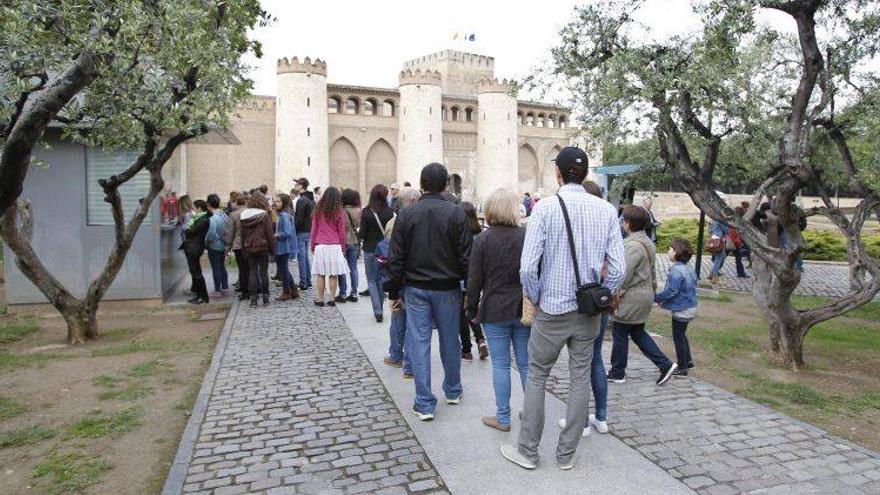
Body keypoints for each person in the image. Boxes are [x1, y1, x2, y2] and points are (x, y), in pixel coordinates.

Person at [503, 147, 624, 471]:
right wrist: (604, 296)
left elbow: (528, 268)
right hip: (588, 312)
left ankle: (528, 451)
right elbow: (617, 269)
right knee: (580, 377)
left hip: (553, 308)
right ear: (583, 174)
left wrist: (536, 297)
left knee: (538, 376)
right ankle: (566, 455)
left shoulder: (545, 209)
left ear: (558, 173)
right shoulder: (606, 210)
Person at [385, 163, 472, 422]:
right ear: (446, 184)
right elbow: (466, 257)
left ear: (421, 185)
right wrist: (469, 288)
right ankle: (453, 389)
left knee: (419, 343)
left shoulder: (407, 215)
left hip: (416, 288)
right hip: (447, 287)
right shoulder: (456, 214)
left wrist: (393, 291)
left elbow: (396, 257)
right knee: (449, 340)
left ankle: (424, 403)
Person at [466, 189, 529, 432]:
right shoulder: (526, 236)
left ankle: (503, 417)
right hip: (522, 306)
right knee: (525, 364)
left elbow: (474, 279)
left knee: (501, 365)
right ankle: (532, 414)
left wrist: (471, 308)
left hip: (494, 308)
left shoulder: (483, 239)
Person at [558, 178, 611, 437]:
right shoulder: (605, 223)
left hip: (578, 301)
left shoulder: (580, 226)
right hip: (599, 301)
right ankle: (600, 416)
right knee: (595, 359)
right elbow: (614, 269)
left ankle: (581, 421)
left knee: (580, 364)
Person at [608, 205, 678, 386]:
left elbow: (624, 276)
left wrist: (615, 296)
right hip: (643, 294)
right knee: (637, 333)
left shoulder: (632, 246)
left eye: (623, 220)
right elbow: (651, 272)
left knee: (621, 332)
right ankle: (664, 364)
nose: (622, 223)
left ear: (629, 224)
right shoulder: (647, 242)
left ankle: (618, 372)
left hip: (632, 297)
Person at [383, 186, 421, 378]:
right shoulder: (422, 221)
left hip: (404, 279)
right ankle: (409, 365)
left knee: (399, 320)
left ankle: (397, 356)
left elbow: (395, 258)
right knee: (412, 325)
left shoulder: (396, 222)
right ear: (414, 201)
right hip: (415, 279)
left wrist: (393, 290)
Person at [655, 238, 698, 377]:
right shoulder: (688, 268)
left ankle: (683, 367)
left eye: (670, 249)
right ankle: (688, 360)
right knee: (682, 335)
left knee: (678, 337)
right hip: (690, 306)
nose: (668, 251)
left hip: (682, 309)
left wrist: (656, 298)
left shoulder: (676, 271)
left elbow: (671, 291)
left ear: (676, 252)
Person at [359, 184, 395, 322]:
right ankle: (379, 305)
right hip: (384, 250)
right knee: (381, 277)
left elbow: (362, 233)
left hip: (369, 249)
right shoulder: (390, 212)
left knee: (372, 279)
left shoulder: (367, 212)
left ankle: (378, 310)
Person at [310, 186, 350, 307]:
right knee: (333, 274)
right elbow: (342, 232)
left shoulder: (318, 210)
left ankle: (320, 298)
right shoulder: (339, 211)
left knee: (321, 274)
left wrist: (312, 246)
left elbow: (314, 230)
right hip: (335, 244)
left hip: (320, 244)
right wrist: (343, 248)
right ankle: (332, 298)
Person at [459, 201, 488, 360]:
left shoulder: (460, 236)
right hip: (477, 281)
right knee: (472, 310)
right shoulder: (480, 236)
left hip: (462, 280)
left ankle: (466, 349)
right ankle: (480, 340)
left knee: (462, 315)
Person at [241, 193, 275, 307]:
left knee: (252, 272)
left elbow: (242, 234)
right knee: (263, 273)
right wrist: (272, 248)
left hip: (249, 247)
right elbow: (269, 233)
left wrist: (243, 249)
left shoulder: (244, 215)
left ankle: (253, 300)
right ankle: (265, 298)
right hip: (263, 246)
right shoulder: (264, 215)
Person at [181, 199, 212, 304]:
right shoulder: (199, 218)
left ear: (199, 208)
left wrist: (187, 229)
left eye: (194, 207)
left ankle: (203, 297)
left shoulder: (203, 219)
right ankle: (199, 295)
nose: (193, 210)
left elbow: (191, 231)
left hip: (195, 246)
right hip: (193, 246)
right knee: (194, 271)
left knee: (196, 272)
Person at [336, 188, 362, 303]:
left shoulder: (341, 211)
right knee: (353, 268)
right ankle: (354, 292)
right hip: (354, 241)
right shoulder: (357, 210)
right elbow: (357, 225)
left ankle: (342, 293)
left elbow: (342, 227)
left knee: (342, 268)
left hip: (343, 241)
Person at [274, 193, 299, 301]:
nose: (276, 203)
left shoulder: (284, 215)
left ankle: (287, 292)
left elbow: (288, 232)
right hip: (282, 246)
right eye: (275, 201)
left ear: (284, 202)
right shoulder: (284, 214)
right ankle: (293, 291)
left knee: (284, 270)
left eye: (278, 201)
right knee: (284, 269)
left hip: (283, 246)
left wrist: (276, 235)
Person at [292, 178, 315, 290]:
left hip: (301, 231)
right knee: (305, 255)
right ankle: (308, 280)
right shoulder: (311, 199)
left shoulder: (302, 200)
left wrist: (294, 229)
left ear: (301, 186)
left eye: (296, 184)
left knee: (301, 256)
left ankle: (303, 282)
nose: (295, 186)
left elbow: (299, 218)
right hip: (308, 229)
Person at [205, 194, 230, 296]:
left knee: (216, 268)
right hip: (223, 244)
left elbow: (211, 233)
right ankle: (225, 287)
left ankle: (217, 291)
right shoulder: (224, 215)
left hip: (215, 245)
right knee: (222, 266)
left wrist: (207, 242)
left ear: (209, 204)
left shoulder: (212, 218)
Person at [226, 193, 250, 301]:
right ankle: (253, 289)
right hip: (250, 243)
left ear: (237, 203)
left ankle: (244, 290)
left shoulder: (233, 215)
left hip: (238, 245)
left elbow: (231, 232)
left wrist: (227, 247)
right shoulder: (250, 213)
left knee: (242, 268)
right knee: (250, 267)